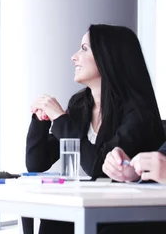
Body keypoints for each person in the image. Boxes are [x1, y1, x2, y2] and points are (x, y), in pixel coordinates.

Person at [22, 24, 165, 234]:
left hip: (133, 215)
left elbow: (98, 166)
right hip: (97, 206)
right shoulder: (80, 104)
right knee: (54, 218)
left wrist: (60, 119)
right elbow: (37, 162)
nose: (74, 56)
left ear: (108, 57)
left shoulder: (139, 113)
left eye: (84, 49)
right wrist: (40, 119)